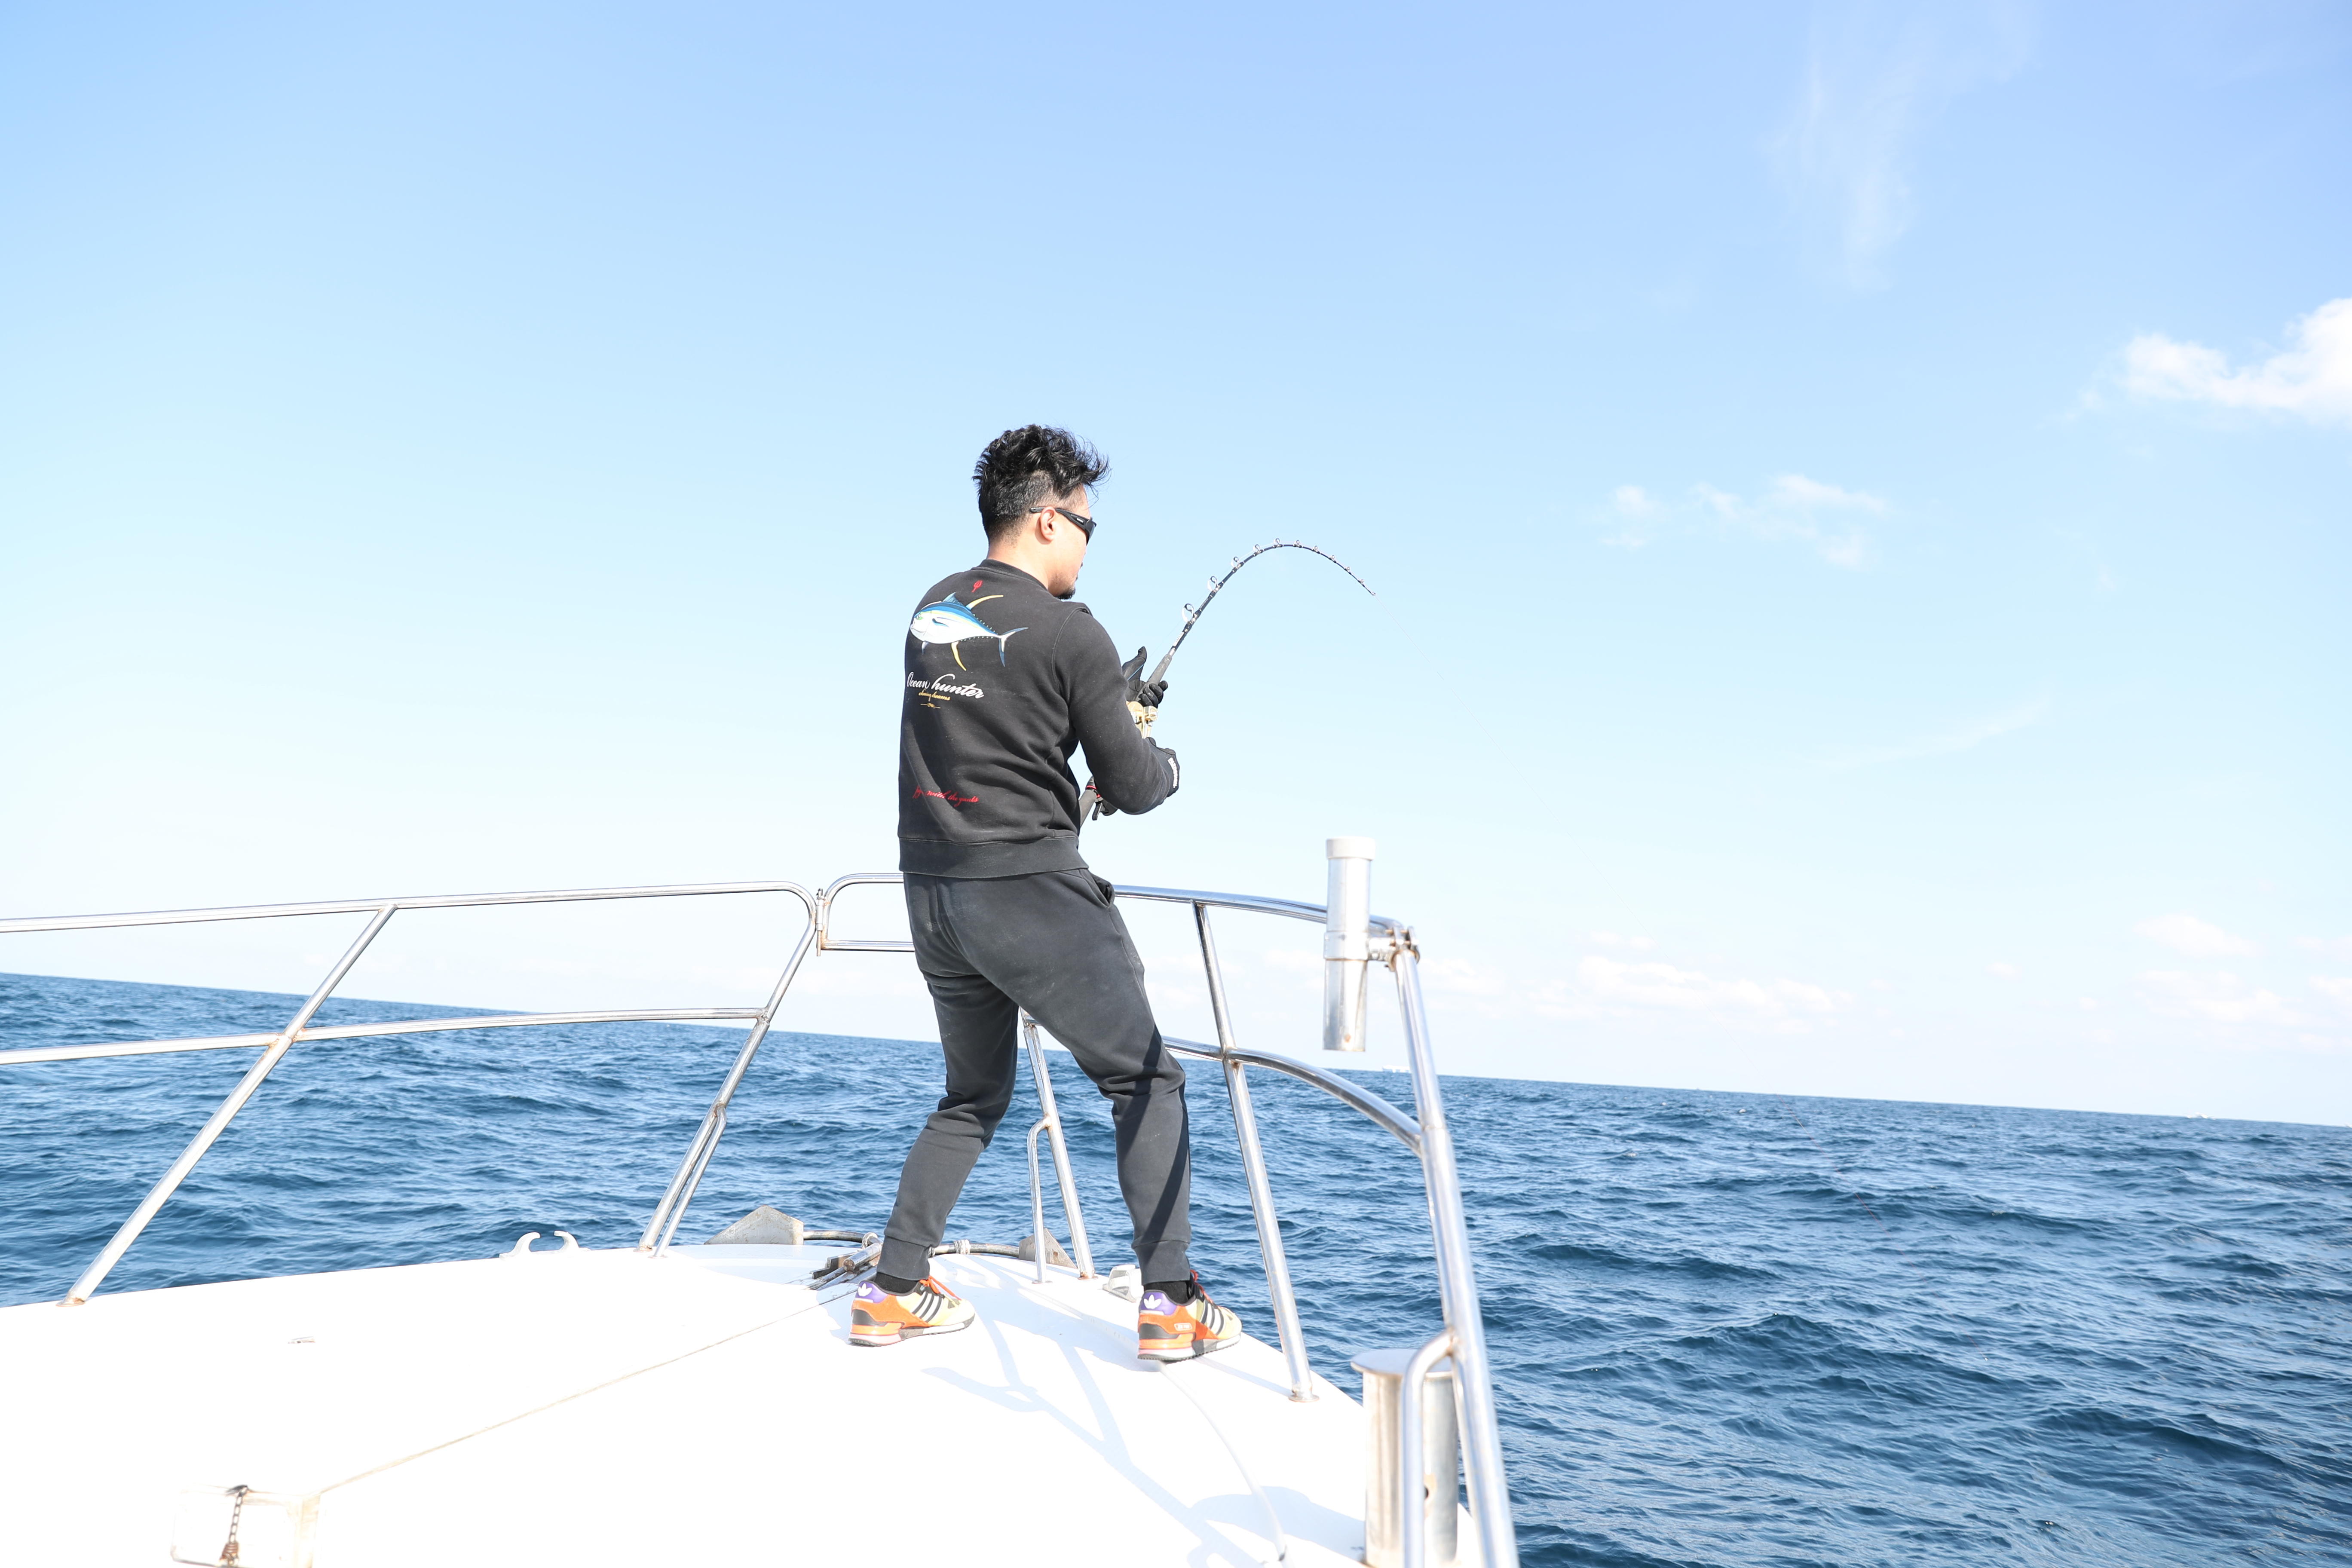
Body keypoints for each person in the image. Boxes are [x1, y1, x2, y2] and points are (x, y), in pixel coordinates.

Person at [850, 425, 1242, 1363]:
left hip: (935, 891)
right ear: (1043, 519)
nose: (1086, 545)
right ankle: (1172, 1302)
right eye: (1086, 528)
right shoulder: (1075, 633)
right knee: (1145, 1080)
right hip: (1028, 892)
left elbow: (1002, 734)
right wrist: (1154, 748)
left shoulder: (931, 608)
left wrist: (1088, 739)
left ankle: (894, 1290)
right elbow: (1139, 786)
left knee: (973, 1096)